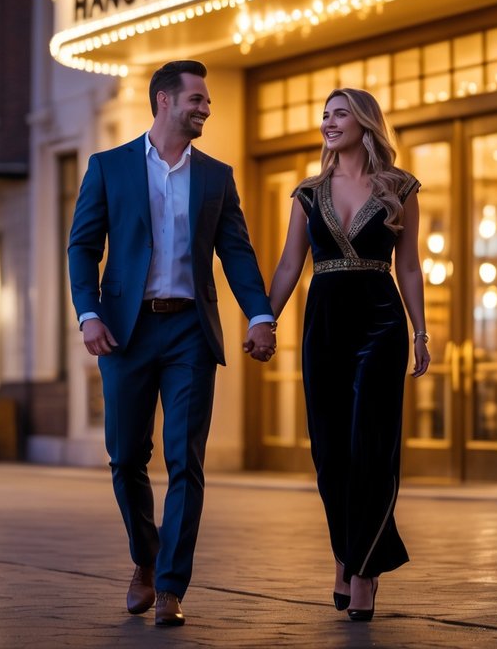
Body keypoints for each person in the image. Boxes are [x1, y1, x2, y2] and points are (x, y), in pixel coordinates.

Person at [67, 59, 277, 627]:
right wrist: (88, 314)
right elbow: (82, 246)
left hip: (190, 330)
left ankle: (170, 585)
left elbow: (236, 251)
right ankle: (145, 557)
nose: (206, 107)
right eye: (197, 99)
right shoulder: (108, 168)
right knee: (126, 456)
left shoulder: (216, 176)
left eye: (207, 101)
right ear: (164, 101)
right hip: (125, 332)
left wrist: (260, 315)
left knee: (187, 459)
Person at [266, 87, 430, 622]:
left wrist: (421, 332)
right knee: (330, 452)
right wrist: (264, 319)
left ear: (365, 122)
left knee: (371, 448)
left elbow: (408, 266)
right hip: (325, 325)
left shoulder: (400, 188)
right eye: (325, 115)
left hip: (381, 324)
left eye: (340, 114)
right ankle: (345, 550)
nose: (329, 123)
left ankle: (363, 573)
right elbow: (291, 264)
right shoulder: (308, 194)